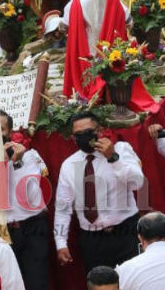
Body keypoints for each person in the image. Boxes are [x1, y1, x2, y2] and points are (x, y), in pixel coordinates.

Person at [0, 110, 56, 290]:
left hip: (32, 228)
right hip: (2, 233)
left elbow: (32, 195)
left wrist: (16, 163)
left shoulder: (31, 156)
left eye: (1, 129)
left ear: (10, 133)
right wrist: (1, 164)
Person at [55, 111, 143, 272]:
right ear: (73, 138)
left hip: (127, 231)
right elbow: (63, 207)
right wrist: (60, 243)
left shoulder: (121, 149)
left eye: (88, 132)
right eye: (78, 135)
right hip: (92, 239)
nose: (84, 137)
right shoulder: (68, 165)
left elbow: (137, 183)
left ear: (100, 130)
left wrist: (113, 157)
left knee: (134, 281)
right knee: (100, 285)